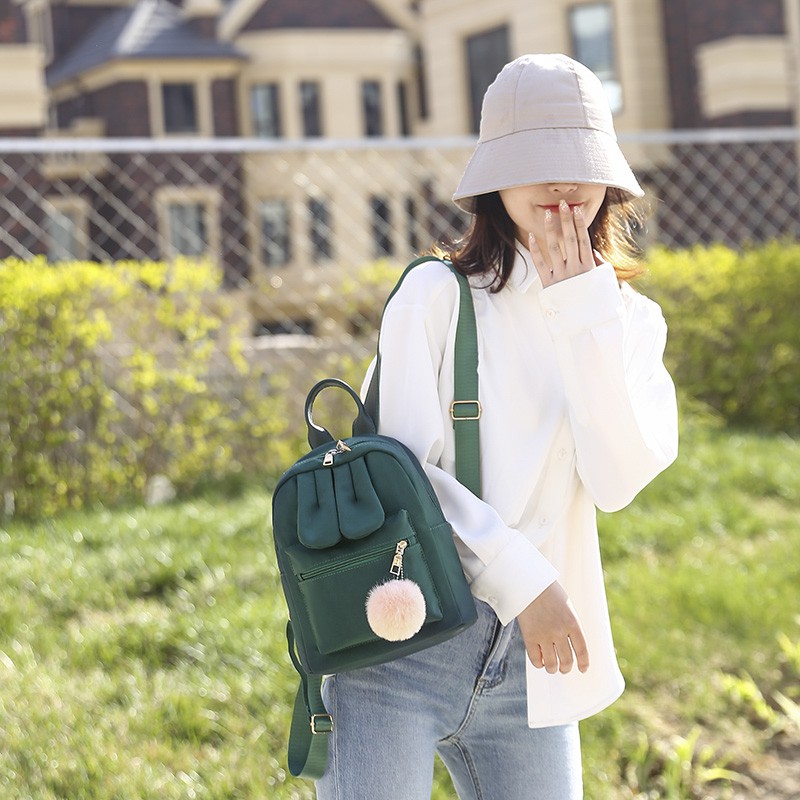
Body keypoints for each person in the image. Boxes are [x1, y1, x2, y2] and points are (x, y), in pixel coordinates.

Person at [315, 53, 679, 800]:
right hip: (400, 646)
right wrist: (525, 583)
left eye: (576, 160)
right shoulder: (436, 295)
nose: (559, 183)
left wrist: (585, 314)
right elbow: (402, 477)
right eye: (534, 161)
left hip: (536, 666)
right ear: (493, 179)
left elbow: (617, 481)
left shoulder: (632, 323)